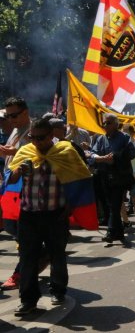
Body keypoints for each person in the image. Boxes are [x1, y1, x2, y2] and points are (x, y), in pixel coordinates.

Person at [8, 119, 91, 316]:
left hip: (56, 214)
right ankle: (28, 300)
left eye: (41, 138)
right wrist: (18, 171)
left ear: (51, 135)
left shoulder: (65, 152)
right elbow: (9, 180)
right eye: (32, 137)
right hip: (28, 215)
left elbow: (81, 179)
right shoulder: (25, 151)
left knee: (57, 256)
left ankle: (58, 290)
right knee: (27, 259)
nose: (36, 142)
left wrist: (70, 207)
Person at [88, 113, 135, 245]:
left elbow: (132, 154)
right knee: (109, 205)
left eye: (108, 123)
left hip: (119, 177)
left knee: (115, 205)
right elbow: (92, 153)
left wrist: (115, 158)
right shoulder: (100, 138)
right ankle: (119, 233)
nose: (105, 125)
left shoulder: (124, 138)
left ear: (116, 124)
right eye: (104, 123)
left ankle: (110, 232)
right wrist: (101, 158)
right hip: (103, 176)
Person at [0, 97, 32, 291]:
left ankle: (21, 273)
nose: (10, 119)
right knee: (12, 227)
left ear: (25, 112)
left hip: (26, 190)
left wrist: (13, 151)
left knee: (23, 232)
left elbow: (37, 152)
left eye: (14, 115)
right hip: (10, 187)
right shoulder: (14, 130)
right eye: (8, 116)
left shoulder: (34, 129)